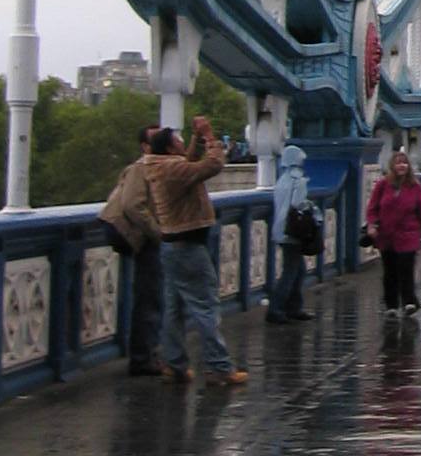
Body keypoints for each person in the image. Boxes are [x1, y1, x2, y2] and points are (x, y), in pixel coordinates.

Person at [145, 115, 248, 387]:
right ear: (169, 149)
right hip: (188, 246)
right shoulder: (171, 170)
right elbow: (213, 165)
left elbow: (187, 162)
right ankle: (218, 366)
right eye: (177, 141)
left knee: (174, 309)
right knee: (205, 306)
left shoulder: (161, 166)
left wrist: (192, 139)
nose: (181, 144)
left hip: (171, 246)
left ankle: (174, 363)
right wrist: (209, 136)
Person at [99, 125, 164, 375]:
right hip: (140, 237)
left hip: (144, 237)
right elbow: (133, 206)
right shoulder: (141, 168)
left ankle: (146, 353)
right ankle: (142, 357)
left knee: (151, 296)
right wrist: (158, 232)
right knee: (149, 296)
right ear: (145, 147)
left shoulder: (155, 167)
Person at [366, 149, 421, 315]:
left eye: (404, 163)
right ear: (392, 166)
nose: (401, 166)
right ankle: (391, 305)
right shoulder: (383, 185)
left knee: (406, 268)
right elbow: (372, 207)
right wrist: (372, 224)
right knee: (389, 271)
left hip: (408, 234)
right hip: (386, 235)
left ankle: (408, 301)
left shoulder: (415, 186)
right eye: (398, 163)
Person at [267, 142, 315, 323]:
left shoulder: (282, 180)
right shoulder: (299, 181)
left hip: (280, 229)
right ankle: (277, 308)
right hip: (293, 231)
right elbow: (298, 205)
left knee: (298, 270)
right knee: (291, 272)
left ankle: (294, 307)